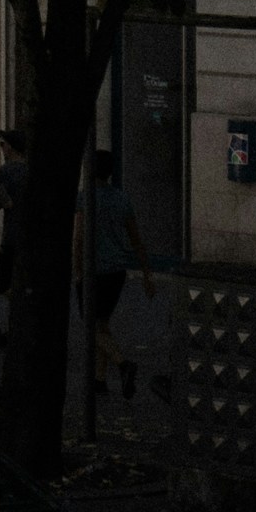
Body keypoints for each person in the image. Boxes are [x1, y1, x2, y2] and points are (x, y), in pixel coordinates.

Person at [72, 148, 156, 396]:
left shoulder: (84, 198)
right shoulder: (121, 199)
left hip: (93, 269)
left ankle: (123, 363)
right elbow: (136, 239)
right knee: (101, 325)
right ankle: (99, 380)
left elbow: (79, 236)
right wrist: (147, 274)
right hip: (116, 271)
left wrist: (76, 268)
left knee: (90, 325)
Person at [0, 128, 29, 325]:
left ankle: (20, 320)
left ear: (10, 148)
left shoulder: (5, 171)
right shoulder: (30, 171)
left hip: (12, 234)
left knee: (5, 284)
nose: (1, 148)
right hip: (29, 234)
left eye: (2, 144)